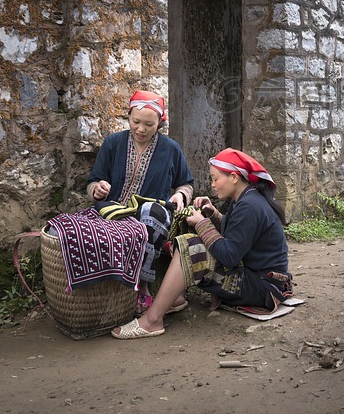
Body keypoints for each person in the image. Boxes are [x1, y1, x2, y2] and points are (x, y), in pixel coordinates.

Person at [111, 148, 291, 339]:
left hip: (263, 287)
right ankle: (173, 299)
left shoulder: (249, 205)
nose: (212, 185)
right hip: (256, 279)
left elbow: (230, 256)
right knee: (189, 239)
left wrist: (202, 223)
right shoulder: (245, 198)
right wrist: (213, 214)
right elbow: (237, 234)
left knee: (192, 247)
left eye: (215, 179)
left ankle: (153, 320)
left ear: (234, 177)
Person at [87, 89, 194, 313]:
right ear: (128, 117)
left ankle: (142, 286)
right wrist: (97, 189)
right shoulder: (113, 143)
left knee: (149, 214)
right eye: (136, 122)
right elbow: (93, 181)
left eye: (149, 124)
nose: (141, 129)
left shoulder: (171, 149)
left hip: (155, 213)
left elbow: (186, 184)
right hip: (114, 209)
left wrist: (181, 195)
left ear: (159, 124)